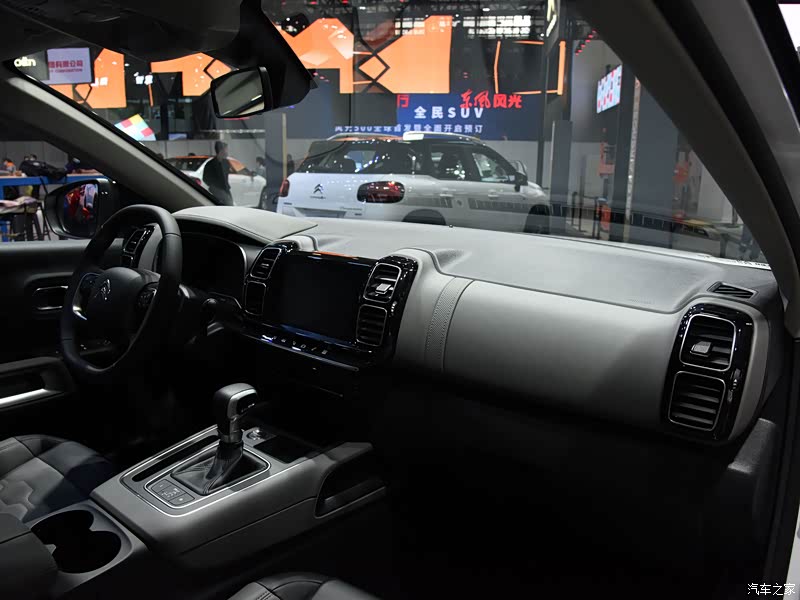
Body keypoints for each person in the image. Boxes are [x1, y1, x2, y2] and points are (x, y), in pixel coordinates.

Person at [203, 141, 233, 205]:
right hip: (217, 192)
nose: (227, 152)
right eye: (226, 149)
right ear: (221, 150)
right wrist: (215, 187)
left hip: (226, 190)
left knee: (229, 205)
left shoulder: (226, 162)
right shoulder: (210, 164)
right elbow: (205, 178)